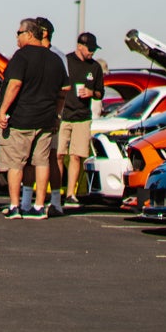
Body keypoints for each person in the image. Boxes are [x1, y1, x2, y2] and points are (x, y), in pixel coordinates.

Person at [0, 18, 67, 220]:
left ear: (28, 34)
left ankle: (15, 206)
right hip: (45, 119)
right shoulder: (55, 59)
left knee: (16, 164)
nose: (16, 37)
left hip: (21, 119)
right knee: (42, 162)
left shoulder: (21, 56)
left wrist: (3, 111)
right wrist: (56, 114)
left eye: (18, 33)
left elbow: (15, 85)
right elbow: (64, 91)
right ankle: (38, 206)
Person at [58, 31, 108, 209]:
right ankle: (57, 192)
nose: (92, 52)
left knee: (76, 156)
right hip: (63, 115)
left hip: (82, 117)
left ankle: (71, 194)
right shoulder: (66, 61)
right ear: (79, 46)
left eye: (94, 49)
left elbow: (100, 92)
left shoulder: (95, 67)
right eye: (90, 48)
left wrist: (91, 93)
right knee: (58, 154)